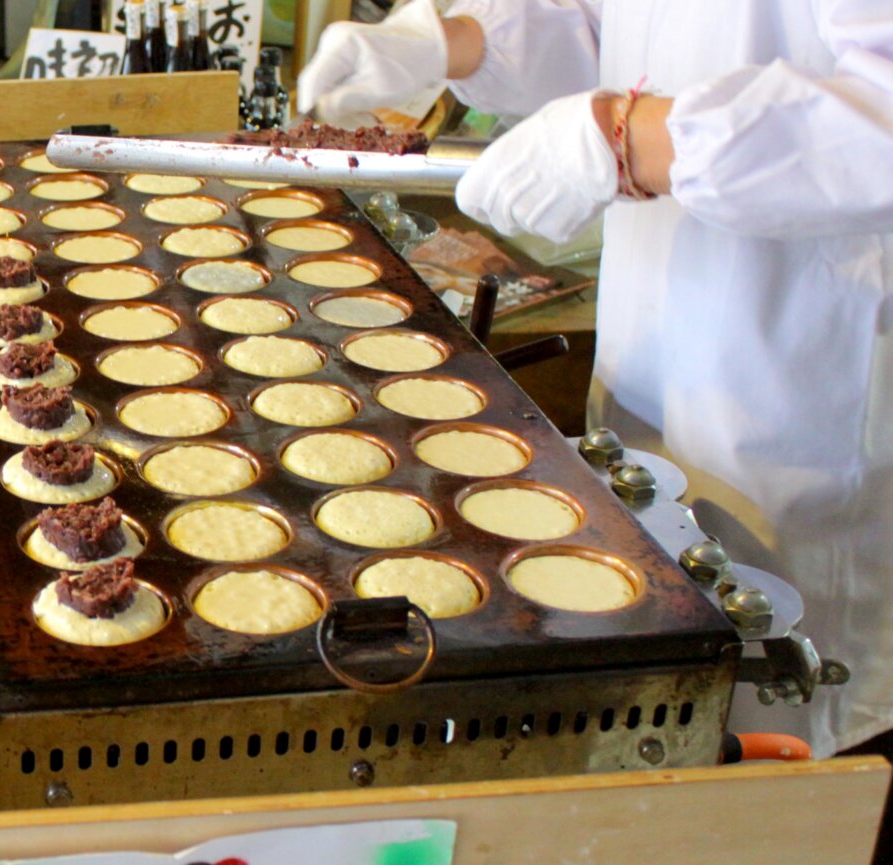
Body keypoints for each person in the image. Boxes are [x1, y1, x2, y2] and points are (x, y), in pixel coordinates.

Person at [298, 0, 893, 760]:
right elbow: (602, 20)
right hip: (651, 339)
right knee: (644, 663)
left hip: (802, 388)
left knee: (763, 729)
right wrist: (450, 44)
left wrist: (634, 135)